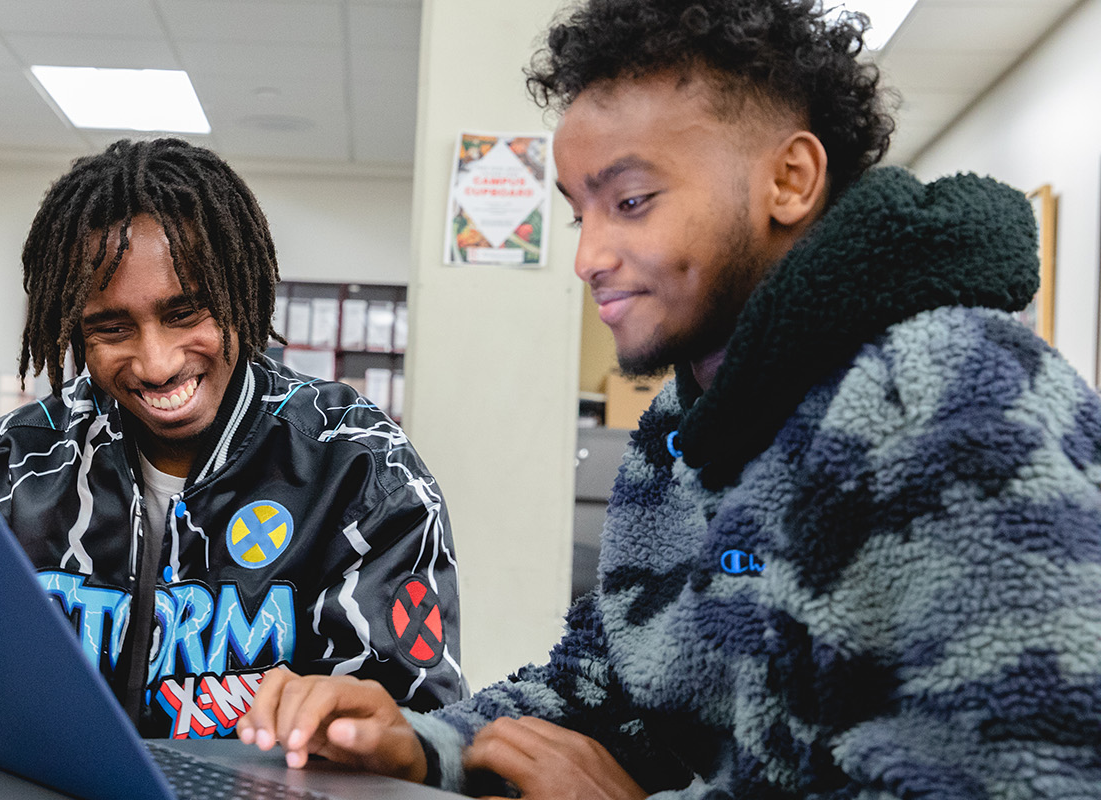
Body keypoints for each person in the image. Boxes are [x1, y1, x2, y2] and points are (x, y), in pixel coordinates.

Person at [237, 0, 1101, 795]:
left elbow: (1032, 774)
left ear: (790, 181)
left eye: (633, 201)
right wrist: (427, 744)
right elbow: (619, 681)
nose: (589, 258)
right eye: (582, 214)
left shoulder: (960, 395)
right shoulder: (679, 427)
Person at [0, 137, 466, 738]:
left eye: (186, 313)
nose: (157, 363)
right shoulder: (0, 475)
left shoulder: (358, 468)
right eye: (111, 328)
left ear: (243, 294)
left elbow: (416, 730)